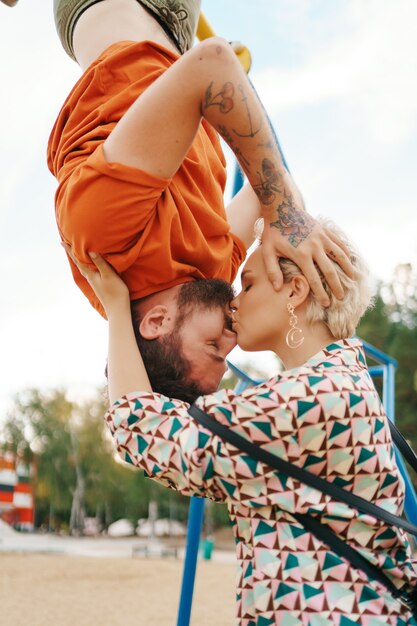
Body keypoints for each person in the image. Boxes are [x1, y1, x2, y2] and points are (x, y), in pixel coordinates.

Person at [64, 218, 417, 626]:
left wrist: (117, 307)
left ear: (296, 290)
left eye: (247, 285)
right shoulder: (343, 386)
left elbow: (141, 430)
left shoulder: (308, 400)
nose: (233, 303)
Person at [48, 0, 354, 401]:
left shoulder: (103, 241)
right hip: (176, 32)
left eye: (214, 348)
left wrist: (287, 210)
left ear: (157, 322)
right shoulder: (209, 280)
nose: (233, 340)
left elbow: (212, 65)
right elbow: (267, 192)